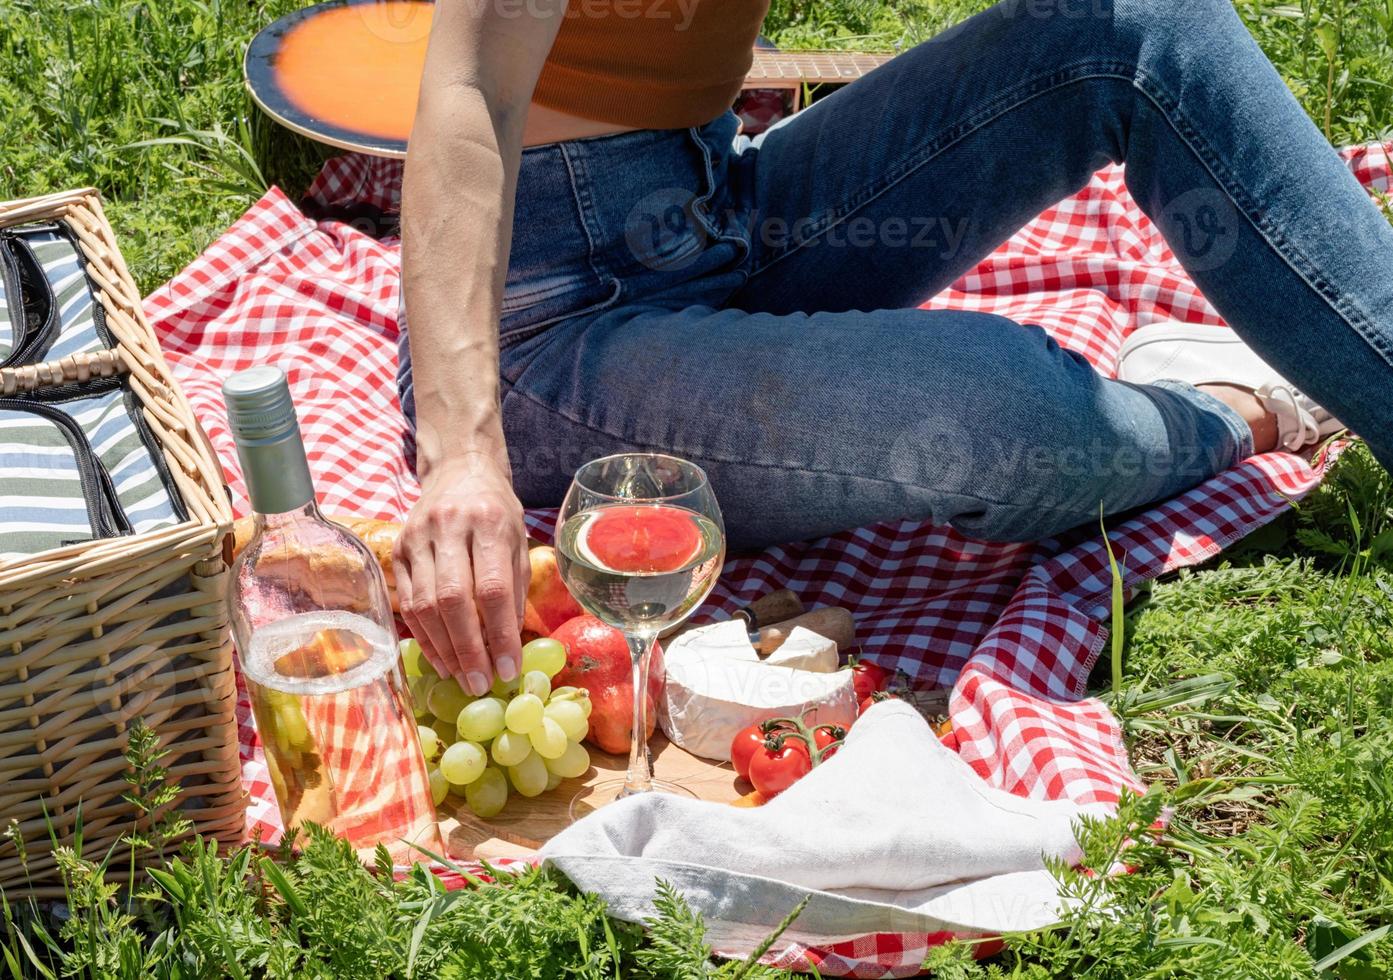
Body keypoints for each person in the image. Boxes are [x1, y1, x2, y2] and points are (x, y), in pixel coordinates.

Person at [395, 0, 1391, 693]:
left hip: (714, 197)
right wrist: (462, 458)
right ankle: (1224, 406)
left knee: (1130, 24)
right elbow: (470, 87)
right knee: (1003, 412)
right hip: (552, 329)